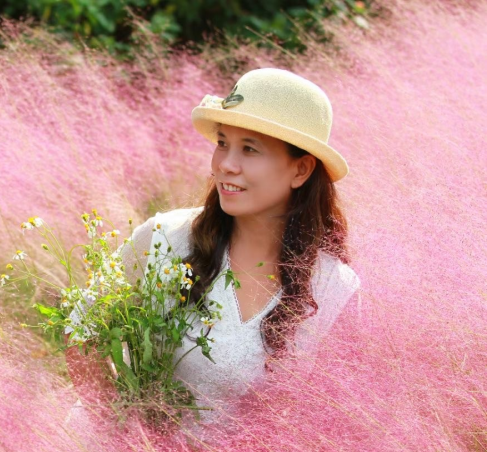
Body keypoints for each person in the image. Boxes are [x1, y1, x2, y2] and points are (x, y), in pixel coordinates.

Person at [64, 67, 361, 431]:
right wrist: (126, 435)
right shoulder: (164, 238)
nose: (225, 165)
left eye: (249, 149)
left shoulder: (334, 290)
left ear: (300, 170)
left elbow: (326, 426)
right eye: (222, 143)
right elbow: (82, 329)